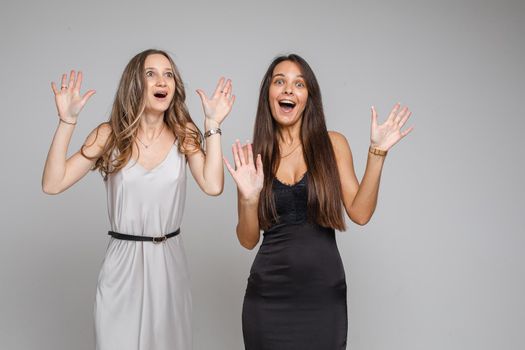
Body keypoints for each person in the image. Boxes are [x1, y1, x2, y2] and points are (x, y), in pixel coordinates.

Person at [42, 49, 235, 350]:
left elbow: (213, 185)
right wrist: (67, 122)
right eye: (151, 74)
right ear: (135, 83)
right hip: (122, 264)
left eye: (168, 74)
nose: (162, 81)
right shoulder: (109, 135)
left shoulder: (184, 133)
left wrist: (212, 124)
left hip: (169, 263)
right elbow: (53, 183)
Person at [224, 54, 413, 349]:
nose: (288, 89)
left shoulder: (332, 144)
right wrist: (248, 199)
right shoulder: (255, 156)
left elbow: (360, 213)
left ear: (308, 97)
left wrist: (377, 153)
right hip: (267, 298)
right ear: (268, 95)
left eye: (298, 84)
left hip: (323, 298)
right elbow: (248, 240)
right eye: (279, 82)